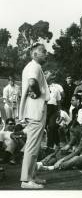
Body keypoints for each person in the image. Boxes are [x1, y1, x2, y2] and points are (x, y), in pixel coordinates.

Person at [19, 43, 50, 189]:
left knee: (35, 145)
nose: (46, 53)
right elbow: (32, 82)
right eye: (43, 51)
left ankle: (32, 176)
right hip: (35, 111)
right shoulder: (34, 66)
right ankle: (26, 180)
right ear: (34, 54)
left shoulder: (35, 66)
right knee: (31, 146)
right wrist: (37, 92)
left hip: (36, 110)